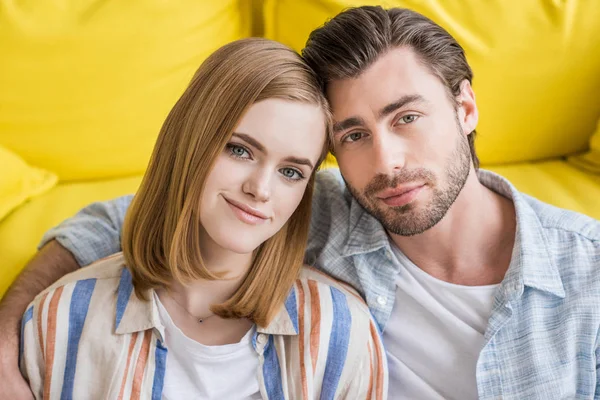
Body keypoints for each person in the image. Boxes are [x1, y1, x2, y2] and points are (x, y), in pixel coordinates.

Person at [2, 5, 600, 400]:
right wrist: (7, 340)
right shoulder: (312, 208)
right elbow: (131, 217)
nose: (387, 162)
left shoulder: (588, 273)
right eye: (354, 135)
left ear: (465, 108)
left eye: (408, 117)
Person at [14, 38, 387, 400]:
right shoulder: (60, 317)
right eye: (239, 150)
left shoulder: (340, 332)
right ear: (189, 141)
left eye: (290, 172)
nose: (261, 189)